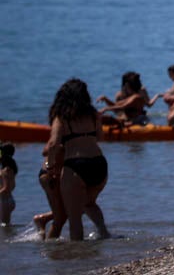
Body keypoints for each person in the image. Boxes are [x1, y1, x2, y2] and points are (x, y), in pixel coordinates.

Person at [46, 78, 110, 240]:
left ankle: (78, 260)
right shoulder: (94, 114)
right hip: (99, 165)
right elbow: (101, 137)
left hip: (76, 166)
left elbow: (53, 144)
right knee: (88, 204)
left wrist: (50, 166)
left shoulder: (62, 117)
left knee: (74, 220)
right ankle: (104, 234)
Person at [0, 143, 15, 226]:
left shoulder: (5, 170)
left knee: (5, 226)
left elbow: (6, 188)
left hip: (5, 201)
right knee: (5, 227)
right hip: (8, 200)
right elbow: (13, 186)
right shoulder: (10, 169)